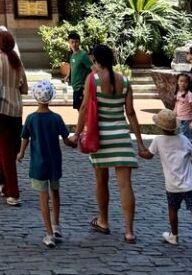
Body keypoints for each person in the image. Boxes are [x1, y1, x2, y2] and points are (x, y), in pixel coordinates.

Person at [68, 43, 149, 242]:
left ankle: (103, 220)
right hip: (121, 136)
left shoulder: (92, 80)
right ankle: (129, 231)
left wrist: (76, 134)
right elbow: (130, 113)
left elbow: (85, 108)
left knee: (101, 180)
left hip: (100, 137)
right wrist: (140, 143)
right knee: (125, 185)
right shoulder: (125, 81)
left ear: (95, 59)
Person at [141, 108, 192, 261]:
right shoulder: (183, 139)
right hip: (189, 184)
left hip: (173, 185)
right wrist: (191, 164)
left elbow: (148, 156)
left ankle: (174, 235)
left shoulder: (158, 141)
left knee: (173, 209)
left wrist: (139, 150)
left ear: (160, 127)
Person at [17, 81, 74, 247]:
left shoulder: (31, 118)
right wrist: (75, 142)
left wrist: (21, 153)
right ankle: (57, 225)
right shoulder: (56, 118)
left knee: (43, 199)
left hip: (38, 163)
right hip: (54, 162)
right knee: (55, 193)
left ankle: (48, 233)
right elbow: (66, 140)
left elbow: (25, 138)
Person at [0, 27, 28, 205]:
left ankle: (13, 192)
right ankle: (2, 182)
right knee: (10, 148)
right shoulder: (17, 62)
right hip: (16, 109)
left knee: (6, 150)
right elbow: (25, 89)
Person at [64, 31, 92, 110]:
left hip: (81, 88)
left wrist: (86, 85)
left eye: (76, 42)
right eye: (72, 42)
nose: (74, 44)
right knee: (79, 110)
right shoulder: (72, 55)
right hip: (75, 88)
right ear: (69, 42)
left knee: (83, 111)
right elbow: (72, 67)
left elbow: (94, 70)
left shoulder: (83, 55)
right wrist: (67, 76)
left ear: (79, 42)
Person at [173, 72, 192, 142]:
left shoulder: (189, 95)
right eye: (181, 81)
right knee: (179, 141)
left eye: (185, 82)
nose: (183, 83)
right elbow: (176, 107)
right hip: (178, 120)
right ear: (177, 82)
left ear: (188, 83)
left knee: (187, 142)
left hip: (187, 121)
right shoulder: (178, 93)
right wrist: (172, 117)